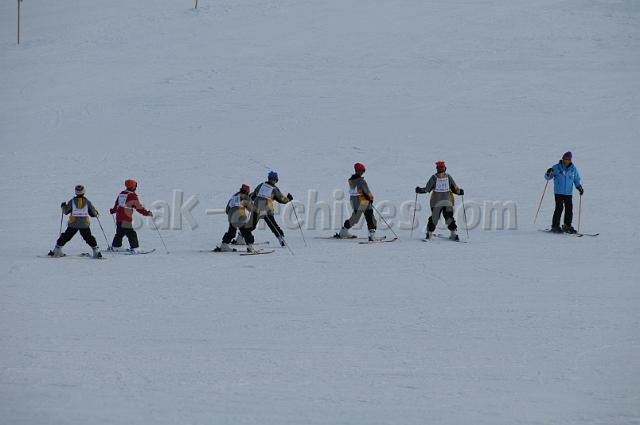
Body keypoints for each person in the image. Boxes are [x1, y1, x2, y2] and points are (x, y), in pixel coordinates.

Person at [48, 185, 101, 258]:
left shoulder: (72, 201)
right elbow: (93, 214)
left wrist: (63, 206)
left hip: (73, 224)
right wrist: (96, 213)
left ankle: (57, 250)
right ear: (84, 192)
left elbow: (65, 211)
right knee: (88, 238)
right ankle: (96, 251)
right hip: (84, 224)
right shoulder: (87, 202)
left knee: (66, 236)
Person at [415, 161, 464, 240]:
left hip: (438, 202)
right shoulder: (446, 177)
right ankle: (452, 233)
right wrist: (459, 192)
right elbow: (454, 188)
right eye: (440, 167)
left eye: (441, 167)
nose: (441, 169)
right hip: (445, 201)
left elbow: (427, 189)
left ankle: (430, 232)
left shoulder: (436, 177)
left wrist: (420, 190)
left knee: (437, 217)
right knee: (447, 217)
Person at [248, 171, 292, 246]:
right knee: (273, 225)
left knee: (251, 225)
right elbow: (281, 199)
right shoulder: (274, 189)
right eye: (274, 179)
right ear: (276, 180)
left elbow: (253, 195)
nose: (273, 180)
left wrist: (249, 196)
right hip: (266, 210)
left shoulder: (261, 185)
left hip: (256, 208)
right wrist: (288, 199)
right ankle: (281, 239)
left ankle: (240, 238)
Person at [338, 162, 380, 241]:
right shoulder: (360, 181)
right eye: (362, 170)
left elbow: (355, 192)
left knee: (355, 218)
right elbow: (366, 191)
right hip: (364, 202)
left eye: (363, 170)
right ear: (357, 170)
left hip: (355, 203)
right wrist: (370, 198)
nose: (363, 172)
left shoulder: (352, 181)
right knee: (370, 218)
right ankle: (372, 235)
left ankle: (343, 231)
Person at [109, 179, 153, 253]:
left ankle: (116, 246)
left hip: (119, 217)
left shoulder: (122, 194)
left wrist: (113, 210)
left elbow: (117, 204)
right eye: (135, 186)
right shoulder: (132, 196)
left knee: (120, 233)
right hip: (126, 218)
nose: (136, 187)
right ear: (133, 186)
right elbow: (138, 208)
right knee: (131, 234)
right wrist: (147, 213)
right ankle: (135, 248)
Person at [545, 151, 584, 233]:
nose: (565, 161)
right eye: (564, 159)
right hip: (558, 192)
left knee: (569, 208)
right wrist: (548, 173)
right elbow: (548, 177)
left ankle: (567, 226)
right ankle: (555, 226)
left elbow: (576, 179)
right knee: (559, 208)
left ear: (570, 160)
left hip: (568, 193)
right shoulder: (556, 167)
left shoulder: (573, 169)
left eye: (567, 159)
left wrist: (579, 187)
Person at [215, 184, 256, 252]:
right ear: (247, 191)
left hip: (231, 215)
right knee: (246, 231)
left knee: (231, 232)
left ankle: (224, 245)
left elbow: (227, 209)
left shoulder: (234, 196)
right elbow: (250, 208)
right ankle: (250, 246)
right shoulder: (245, 197)